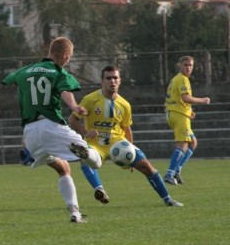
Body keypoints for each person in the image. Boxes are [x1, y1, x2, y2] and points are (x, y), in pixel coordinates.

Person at [2, 37, 102, 223]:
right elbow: (65, 91)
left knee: (63, 168)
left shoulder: (25, 70)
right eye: (69, 57)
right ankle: (85, 152)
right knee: (95, 162)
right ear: (64, 55)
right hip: (51, 126)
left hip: (30, 133)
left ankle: (75, 213)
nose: (69, 60)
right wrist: (74, 107)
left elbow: (8, 80)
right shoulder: (58, 72)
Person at [68, 65, 183, 207]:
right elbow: (72, 120)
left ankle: (168, 199)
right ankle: (99, 190)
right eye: (108, 78)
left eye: (115, 78)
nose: (112, 81)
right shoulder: (90, 99)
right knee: (85, 158)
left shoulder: (125, 105)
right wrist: (85, 132)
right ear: (102, 81)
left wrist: (131, 150)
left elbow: (127, 129)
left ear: (120, 80)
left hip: (118, 143)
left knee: (147, 166)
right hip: (96, 143)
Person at [164, 56, 211, 185]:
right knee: (182, 145)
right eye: (185, 65)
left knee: (193, 143)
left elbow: (177, 98)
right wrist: (203, 100)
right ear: (180, 65)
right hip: (179, 116)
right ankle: (169, 174)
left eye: (190, 65)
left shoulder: (176, 79)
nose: (188, 67)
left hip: (176, 113)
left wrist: (188, 111)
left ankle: (177, 170)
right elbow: (185, 98)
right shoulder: (182, 79)